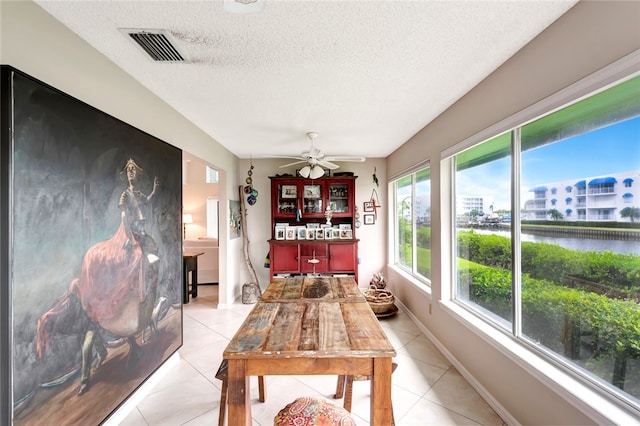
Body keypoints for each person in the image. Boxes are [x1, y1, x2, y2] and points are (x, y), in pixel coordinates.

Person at [119, 158, 160, 263]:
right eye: (129, 170)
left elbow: (147, 200)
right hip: (133, 230)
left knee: (153, 247)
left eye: (133, 169)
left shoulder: (138, 194)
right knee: (139, 252)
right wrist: (129, 235)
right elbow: (123, 214)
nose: (131, 171)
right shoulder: (125, 194)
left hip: (141, 229)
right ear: (126, 175)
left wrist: (154, 190)